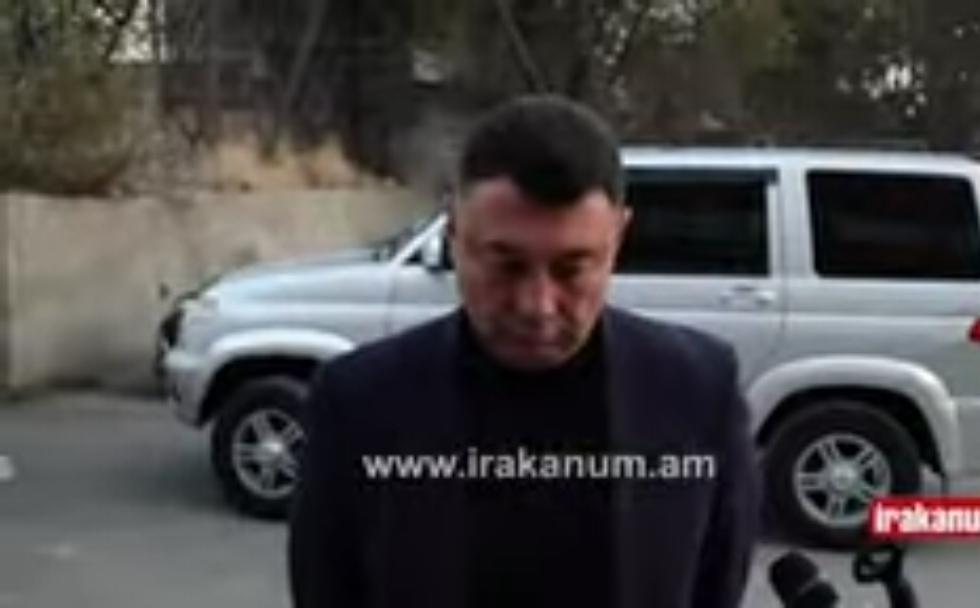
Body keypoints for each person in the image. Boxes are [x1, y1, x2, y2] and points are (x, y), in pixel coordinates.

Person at [286, 93, 762, 608]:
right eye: (506, 266)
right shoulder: (359, 403)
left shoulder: (697, 392)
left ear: (618, 239)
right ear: (455, 233)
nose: (537, 306)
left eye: (571, 269)